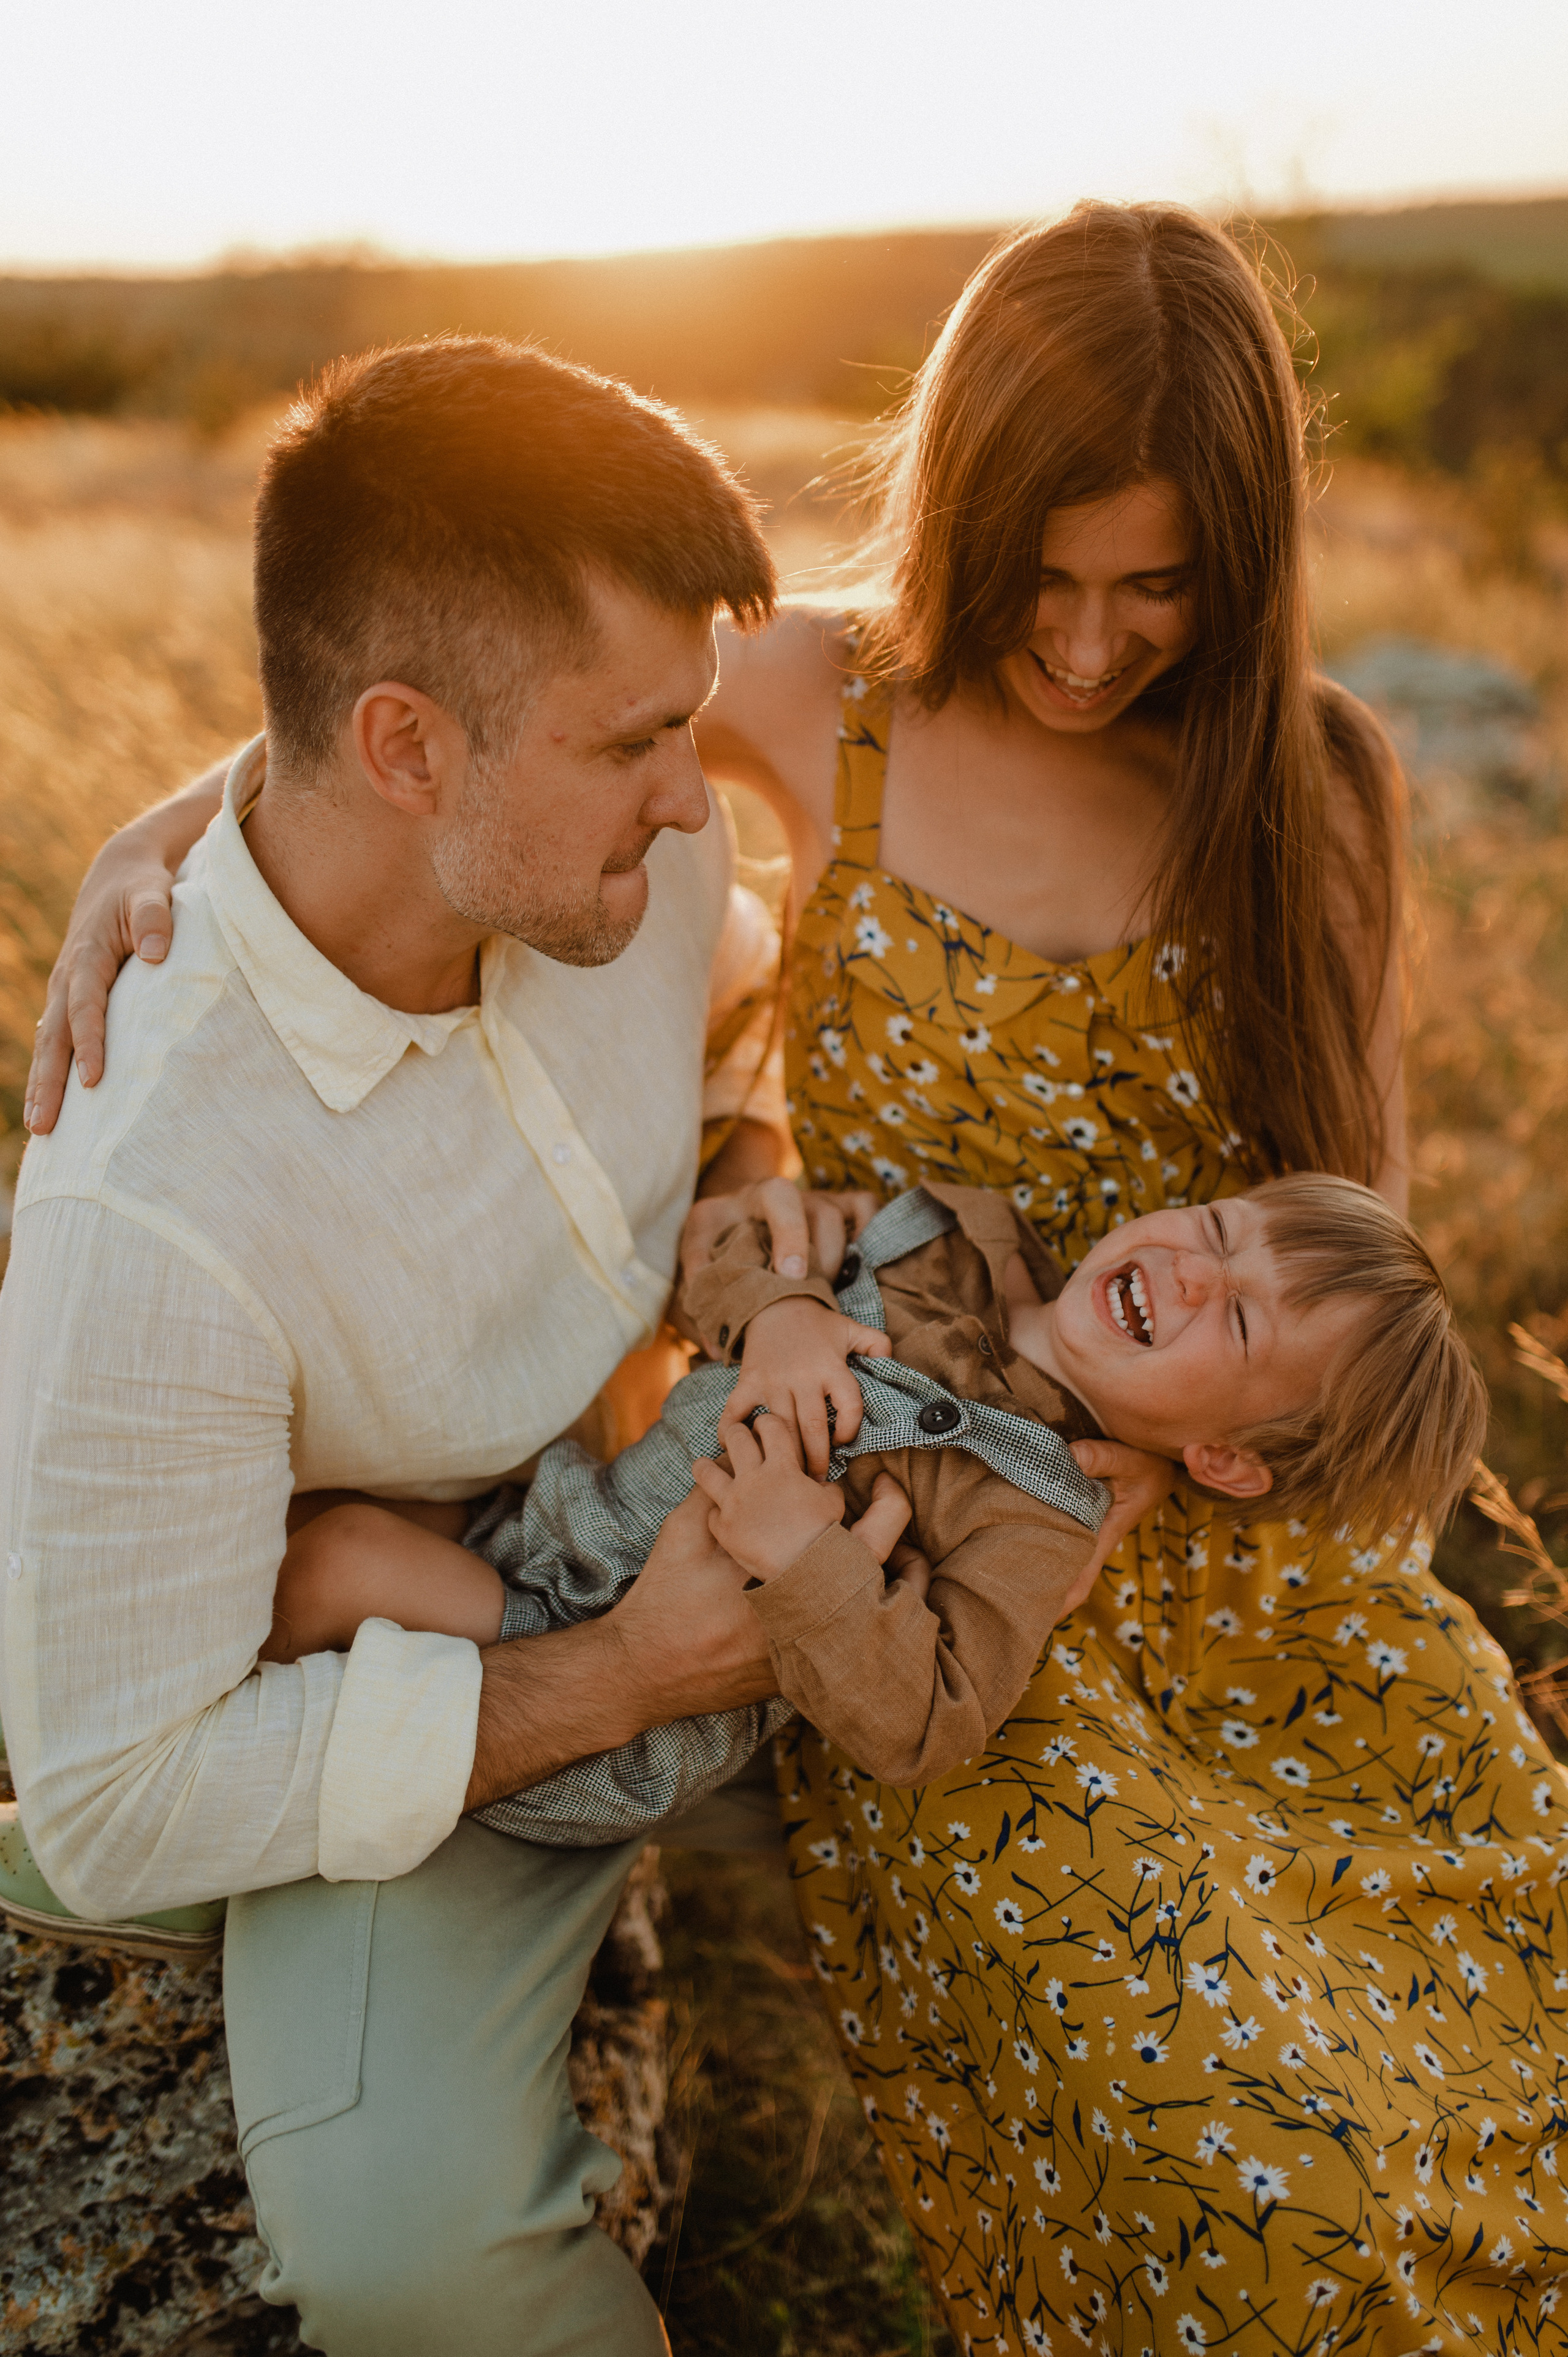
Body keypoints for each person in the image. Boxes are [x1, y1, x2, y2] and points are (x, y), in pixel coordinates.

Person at [28, 200, 1568, 2347]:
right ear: (959, 501)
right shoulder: (817, 695)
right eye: (1040, 567)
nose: (1093, 640)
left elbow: (1349, 1229)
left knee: (1493, 2008)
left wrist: (1225, 1458)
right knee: (1228, 2100)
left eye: (1158, 583)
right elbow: (452, 711)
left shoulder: (1307, 783)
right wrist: (156, 833)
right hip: (906, 1533)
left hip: (1199, 1511)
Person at [260, 1173, 1487, 1842]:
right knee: (322, 1477)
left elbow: (928, 1722)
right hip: (559, 1509)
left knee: (333, 1565)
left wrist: (804, 1556)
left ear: (1220, 1457)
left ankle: (202, 1804)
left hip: (590, 1664)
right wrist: (787, 1309)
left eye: (1232, 1317)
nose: (1187, 1268)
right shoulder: (955, 1235)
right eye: (1217, 1227)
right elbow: (733, 1231)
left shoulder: (1037, 1518)